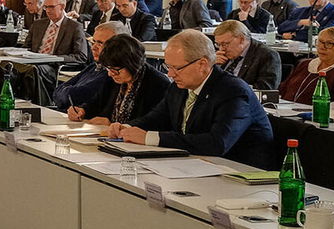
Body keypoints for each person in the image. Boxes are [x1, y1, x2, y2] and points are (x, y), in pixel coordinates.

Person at [109, 30, 276, 167]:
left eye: (176, 68)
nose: (170, 74)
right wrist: (127, 127)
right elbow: (157, 118)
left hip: (240, 172)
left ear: (202, 64)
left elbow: (217, 143)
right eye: (168, 67)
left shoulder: (233, 91)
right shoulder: (180, 86)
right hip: (197, 165)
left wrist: (150, 138)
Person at [74, 33, 171, 128]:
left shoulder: (158, 84)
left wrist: (114, 124)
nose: (110, 73)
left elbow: (153, 122)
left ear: (132, 64)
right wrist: (82, 110)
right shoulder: (114, 77)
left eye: (115, 70)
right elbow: (97, 102)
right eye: (108, 68)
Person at [279, 25, 334, 106]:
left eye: (329, 43)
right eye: (320, 42)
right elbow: (283, 90)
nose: (322, 47)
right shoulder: (305, 64)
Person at [55, 21, 123, 112]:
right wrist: (66, 93)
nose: (93, 48)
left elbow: (75, 96)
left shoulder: (112, 74)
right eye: (93, 42)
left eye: (100, 43)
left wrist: (65, 92)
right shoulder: (93, 67)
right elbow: (57, 91)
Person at [212, 20, 280, 91]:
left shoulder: (266, 55)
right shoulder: (222, 55)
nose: (221, 49)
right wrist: (213, 67)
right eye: (218, 44)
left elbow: (265, 89)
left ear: (241, 39)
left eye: (225, 44)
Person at [27, 0, 89, 65]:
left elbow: (81, 57)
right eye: (45, 7)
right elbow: (26, 47)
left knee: (33, 69)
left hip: (54, 65)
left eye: (51, 7)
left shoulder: (74, 27)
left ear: (62, 7)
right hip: (33, 61)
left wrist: (55, 59)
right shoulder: (37, 24)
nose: (48, 11)